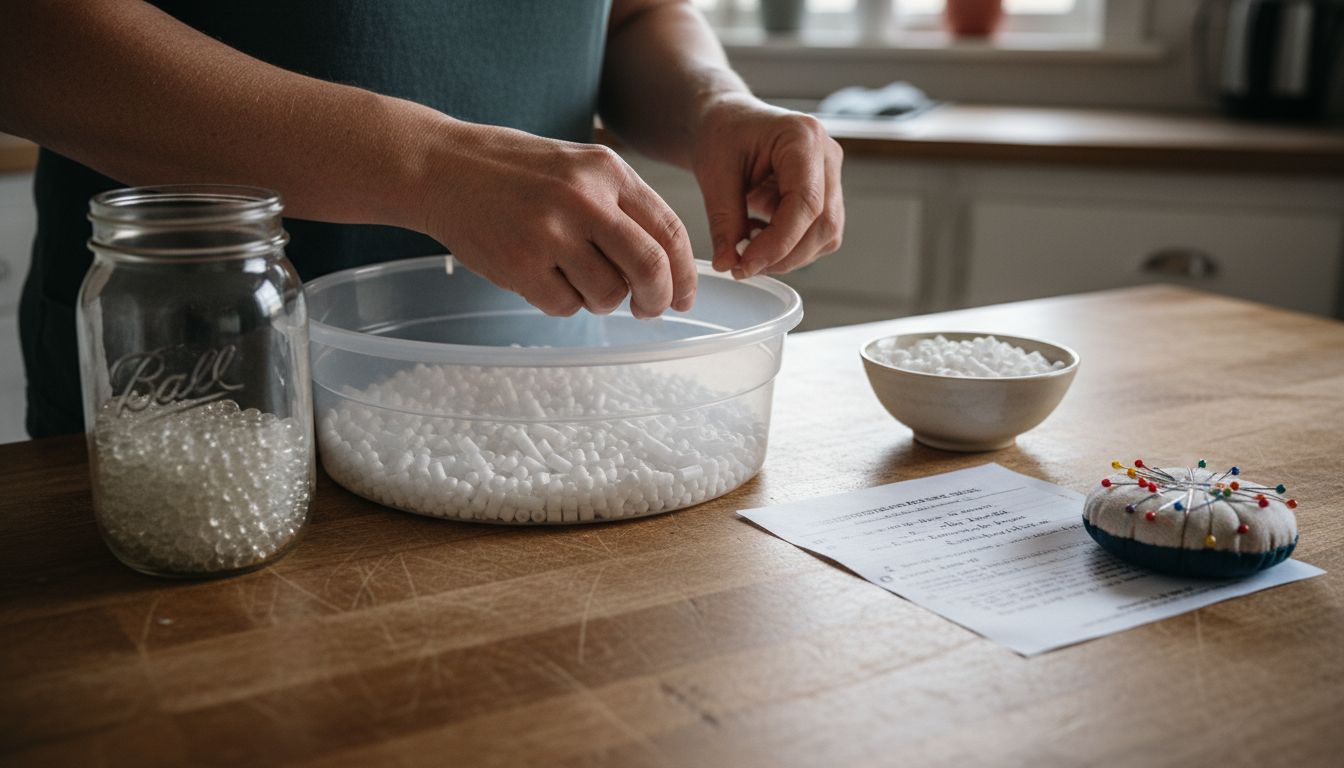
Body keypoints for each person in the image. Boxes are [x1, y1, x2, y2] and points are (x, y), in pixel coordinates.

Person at [0, 0, 845, 438]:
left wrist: (713, 104)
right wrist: (429, 166)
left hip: (529, 393)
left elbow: (632, 14)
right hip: (203, 386)